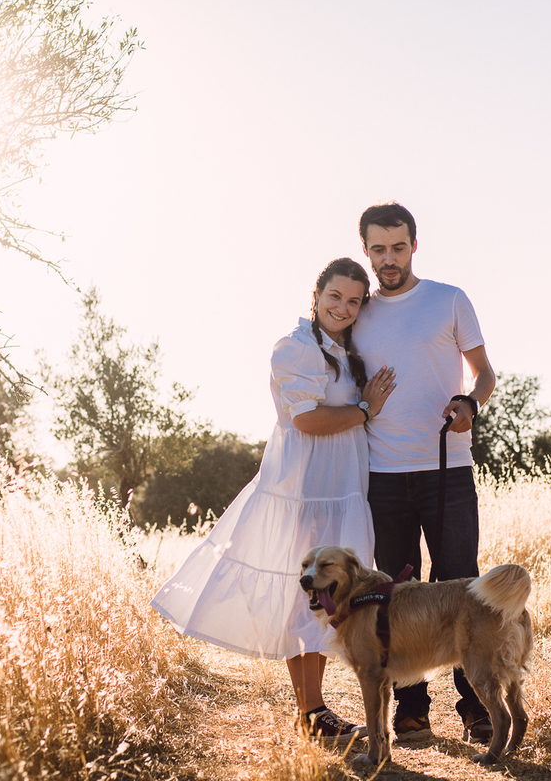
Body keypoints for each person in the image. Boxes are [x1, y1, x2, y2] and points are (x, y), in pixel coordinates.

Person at [150, 258, 397, 741]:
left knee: (328, 599)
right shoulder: (296, 348)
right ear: (316, 295)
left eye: (353, 301)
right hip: (307, 490)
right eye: (334, 297)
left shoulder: (345, 351)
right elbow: (306, 420)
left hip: (341, 488)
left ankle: (316, 712)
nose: (343, 308)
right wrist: (367, 408)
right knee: (306, 599)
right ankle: (312, 713)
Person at [350, 202, 497, 745]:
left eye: (398, 247)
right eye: (379, 250)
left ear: (414, 245)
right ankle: (411, 709)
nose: (389, 259)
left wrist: (470, 403)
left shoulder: (448, 299)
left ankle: (476, 706)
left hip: (446, 468)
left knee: (462, 585)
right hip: (382, 473)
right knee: (395, 594)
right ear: (366, 251)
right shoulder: (358, 312)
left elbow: (484, 373)